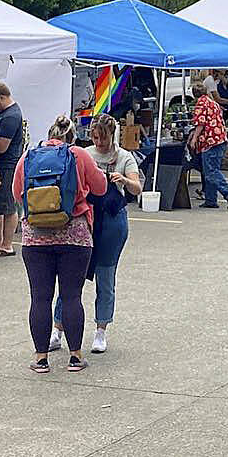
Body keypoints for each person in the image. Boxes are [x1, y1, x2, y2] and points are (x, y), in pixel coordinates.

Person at [14, 115, 108, 373]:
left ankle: (41, 358)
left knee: (40, 298)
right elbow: (100, 188)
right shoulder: (79, 154)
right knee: (71, 297)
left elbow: (16, 192)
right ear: (72, 136)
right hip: (74, 235)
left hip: (35, 237)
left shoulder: (29, 156)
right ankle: (75, 357)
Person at [50, 113, 142, 355]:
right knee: (72, 277)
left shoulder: (124, 157)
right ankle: (57, 329)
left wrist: (123, 179)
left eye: (103, 138)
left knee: (106, 275)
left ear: (113, 135)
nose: (98, 142)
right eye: (94, 137)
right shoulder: (85, 153)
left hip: (112, 222)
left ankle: (101, 330)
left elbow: (137, 187)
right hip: (86, 218)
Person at [0, 82, 25, 256]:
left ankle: (7, 244)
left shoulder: (11, 116)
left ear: (2, 97)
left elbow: (2, 146)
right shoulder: (4, 114)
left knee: (8, 204)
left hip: (8, 165)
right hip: (1, 165)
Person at [189, 82, 228, 210]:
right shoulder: (212, 102)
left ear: (194, 94)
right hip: (220, 139)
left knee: (210, 171)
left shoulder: (200, 103)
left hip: (210, 141)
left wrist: (194, 138)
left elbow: (200, 123)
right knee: (211, 169)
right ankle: (211, 200)